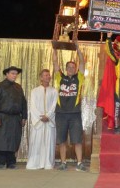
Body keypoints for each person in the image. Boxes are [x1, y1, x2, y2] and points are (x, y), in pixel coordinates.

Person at [53, 41, 86, 171]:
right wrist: (54, 49)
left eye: (73, 67)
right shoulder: (60, 77)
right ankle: (63, 162)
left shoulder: (79, 78)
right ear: (66, 69)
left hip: (75, 114)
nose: (71, 69)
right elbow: (55, 63)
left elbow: (82, 63)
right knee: (62, 140)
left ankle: (79, 163)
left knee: (77, 139)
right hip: (61, 113)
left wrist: (78, 49)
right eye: (69, 67)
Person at [0, 66, 27, 169]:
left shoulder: (18, 87)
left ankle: (11, 163)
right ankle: (0, 162)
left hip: (15, 119)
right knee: (1, 140)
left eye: (16, 74)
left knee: (13, 140)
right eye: (12, 73)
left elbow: (23, 103)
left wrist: (24, 117)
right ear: (7, 74)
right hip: (2, 117)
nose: (14, 75)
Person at [26, 69, 58, 170]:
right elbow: (33, 106)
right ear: (41, 77)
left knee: (49, 142)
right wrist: (41, 117)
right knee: (37, 142)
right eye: (45, 75)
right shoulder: (34, 91)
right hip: (38, 122)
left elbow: (54, 105)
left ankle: (48, 163)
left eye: (48, 75)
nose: (47, 77)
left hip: (49, 121)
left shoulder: (54, 91)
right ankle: (35, 163)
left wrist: (48, 116)